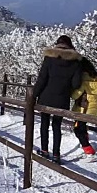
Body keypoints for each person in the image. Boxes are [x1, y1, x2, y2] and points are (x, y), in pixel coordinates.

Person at [33, 35, 83, 165]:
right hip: (62, 99)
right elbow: (76, 84)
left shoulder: (49, 58)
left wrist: (33, 95)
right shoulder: (76, 62)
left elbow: (42, 79)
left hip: (45, 97)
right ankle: (56, 154)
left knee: (44, 124)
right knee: (57, 126)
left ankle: (44, 150)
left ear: (57, 44)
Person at [71, 57, 97, 161]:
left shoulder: (83, 80)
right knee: (82, 128)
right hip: (93, 109)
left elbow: (75, 95)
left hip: (83, 109)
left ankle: (90, 152)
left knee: (77, 129)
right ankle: (86, 149)